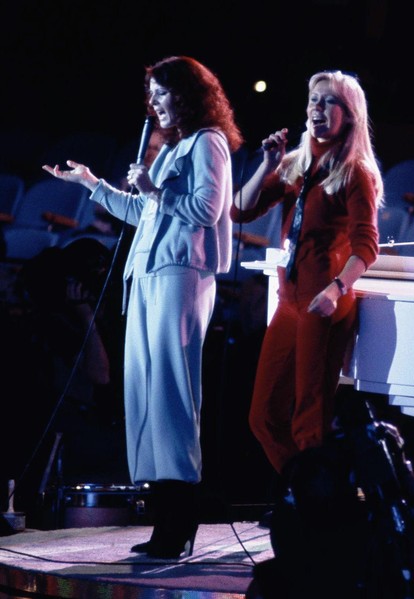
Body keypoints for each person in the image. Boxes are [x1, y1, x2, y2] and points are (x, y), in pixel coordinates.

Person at [42, 55, 242, 559]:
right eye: (150, 93)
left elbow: (205, 209)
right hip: (149, 276)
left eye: (161, 92)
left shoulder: (208, 143)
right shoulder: (175, 148)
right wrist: (92, 185)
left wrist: (154, 188)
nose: (152, 102)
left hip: (181, 275)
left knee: (172, 394)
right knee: (145, 396)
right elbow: (144, 213)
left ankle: (182, 518)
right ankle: (163, 519)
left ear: (187, 94)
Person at [231, 71, 381, 479]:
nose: (318, 108)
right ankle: (304, 493)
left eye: (329, 102)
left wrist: (336, 289)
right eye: (314, 100)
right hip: (290, 300)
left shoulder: (355, 172)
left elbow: (366, 245)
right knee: (262, 416)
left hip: (323, 302)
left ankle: (315, 509)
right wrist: (266, 165)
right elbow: (239, 211)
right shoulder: (296, 165)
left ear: (349, 116)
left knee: (309, 420)